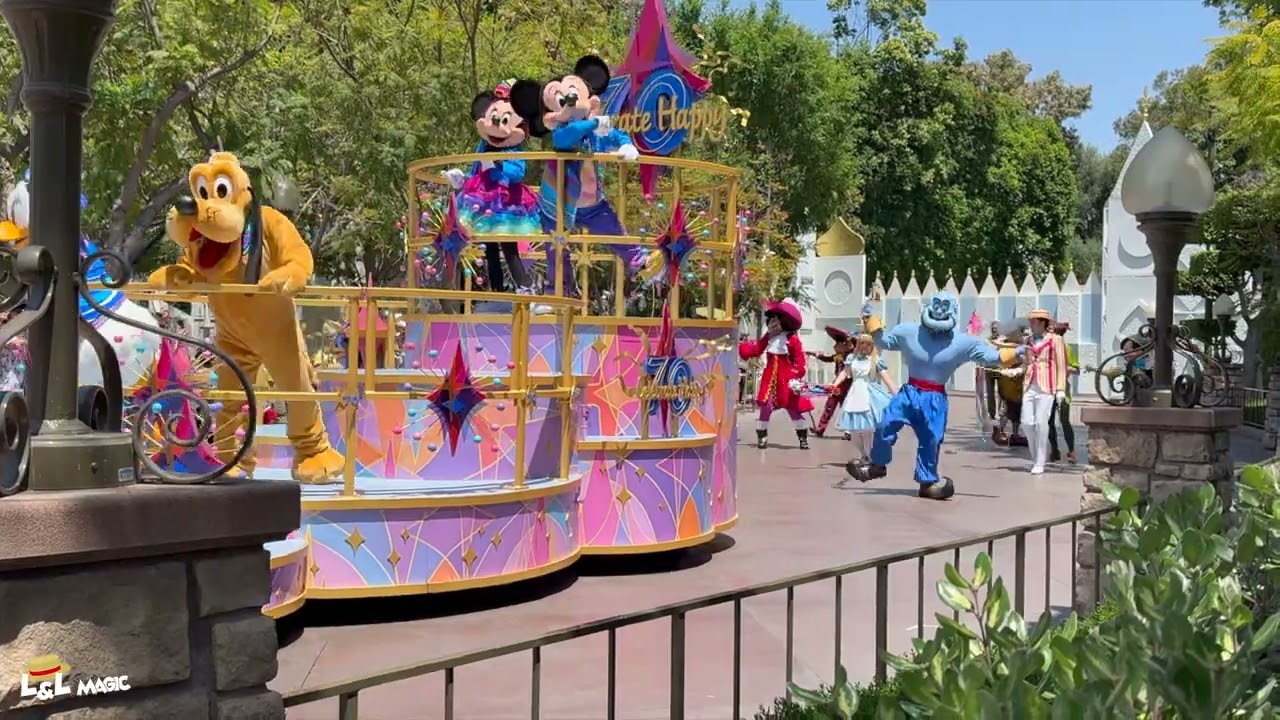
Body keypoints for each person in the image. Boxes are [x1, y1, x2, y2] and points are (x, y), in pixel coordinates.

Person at [845, 293, 1022, 499]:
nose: (939, 311)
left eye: (945, 306)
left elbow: (993, 357)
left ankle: (927, 481)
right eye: (936, 305)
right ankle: (877, 465)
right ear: (927, 307)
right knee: (886, 423)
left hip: (935, 399)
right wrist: (870, 321)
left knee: (931, 439)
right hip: (909, 393)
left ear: (953, 311)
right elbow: (884, 341)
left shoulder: (963, 343)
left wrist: (1018, 352)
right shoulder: (908, 331)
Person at [738, 300, 814, 449]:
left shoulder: (792, 340)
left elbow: (800, 362)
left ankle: (802, 437)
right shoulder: (769, 337)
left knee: (792, 409)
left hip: (787, 381)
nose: (773, 322)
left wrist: (796, 375)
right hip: (770, 379)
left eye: (776, 319)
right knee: (765, 407)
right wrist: (744, 348)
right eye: (771, 319)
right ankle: (762, 436)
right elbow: (757, 350)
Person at [833, 334, 896, 463]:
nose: (865, 346)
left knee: (867, 429)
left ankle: (868, 456)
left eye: (868, 344)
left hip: (870, 394)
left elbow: (886, 378)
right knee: (853, 431)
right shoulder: (852, 359)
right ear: (858, 344)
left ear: (871, 346)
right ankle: (863, 453)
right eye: (862, 343)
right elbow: (845, 373)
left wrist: (897, 394)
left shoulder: (876, 360)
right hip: (854, 394)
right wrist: (834, 384)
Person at [1020, 309, 1069, 475]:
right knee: (1026, 423)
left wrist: (1061, 389)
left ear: (1042, 322)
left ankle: (1039, 461)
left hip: (1047, 386)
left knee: (1042, 423)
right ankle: (1036, 456)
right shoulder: (1027, 340)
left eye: (1033, 321)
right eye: (1030, 321)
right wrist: (1015, 371)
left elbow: (1061, 366)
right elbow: (1026, 363)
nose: (1031, 324)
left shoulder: (1056, 340)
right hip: (1029, 384)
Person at [807, 326, 854, 438]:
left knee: (846, 408)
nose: (834, 347)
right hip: (836, 386)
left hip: (847, 386)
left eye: (837, 345)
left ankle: (849, 431)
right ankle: (820, 429)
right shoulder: (837, 356)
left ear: (843, 345)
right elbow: (827, 358)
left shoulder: (851, 356)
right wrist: (815, 354)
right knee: (829, 406)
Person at [1047, 321, 1079, 463]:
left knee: (1064, 420)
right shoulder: (1046, 348)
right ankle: (1054, 450)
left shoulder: (1067, 349)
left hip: (1062, 388)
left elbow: (1076, 369)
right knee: (1049, 421)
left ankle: (1071, 451)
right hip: (1048, 388)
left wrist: (1063, 367)